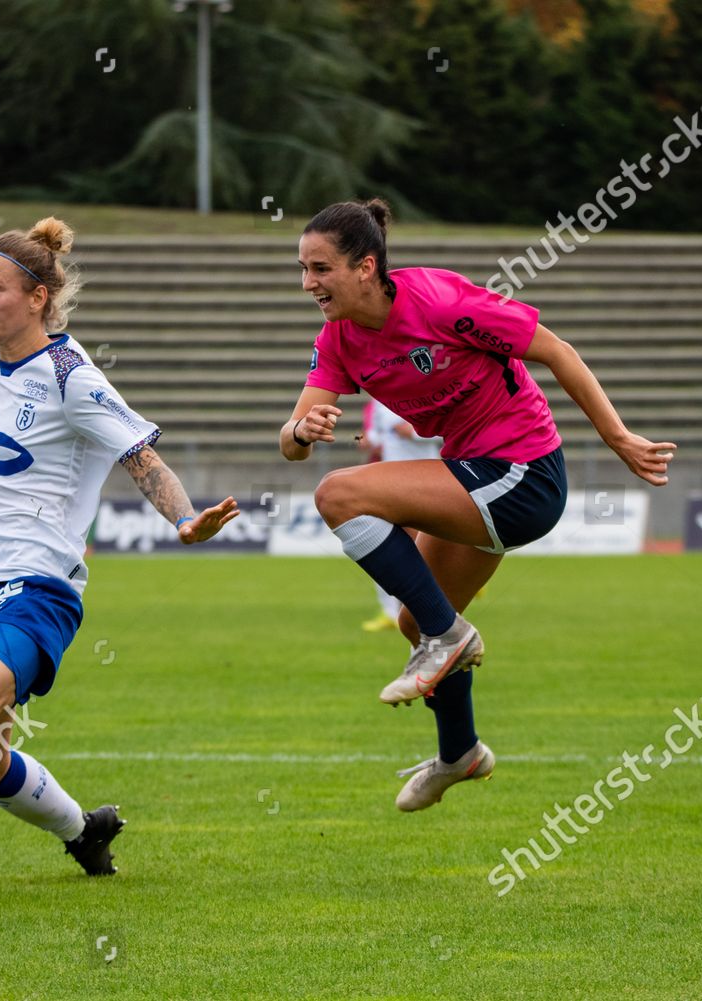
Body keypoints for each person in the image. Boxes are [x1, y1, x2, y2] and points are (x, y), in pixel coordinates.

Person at [0, 214, 239, 911]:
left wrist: (185, 517)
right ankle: (83, 830)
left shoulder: (72, 377)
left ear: (38, 297)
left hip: (39, 583)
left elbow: (140, 457)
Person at [279, 199, 674, 812]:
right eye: (302, 269)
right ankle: (459, 752)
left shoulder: (440, 301)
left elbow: (556, 350)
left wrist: (620, 438)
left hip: (523, 473)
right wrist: (302, 433)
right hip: (474, 476)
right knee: (414, 621)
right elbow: (291, 439)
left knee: (340, 494)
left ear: (365, 267)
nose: (308, 283)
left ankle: (449, 637)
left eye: (320, 268)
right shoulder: (338, 339)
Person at [357, 400, 442, 633]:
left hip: (422, 476)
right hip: (393, 476)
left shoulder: (416, 394)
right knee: (382, 541)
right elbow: (376, 435)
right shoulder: (376, 403)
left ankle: (457, 572)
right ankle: (390, 611)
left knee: (413, 545)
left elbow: (411, 431)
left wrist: (415, 431)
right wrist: (366, 440)